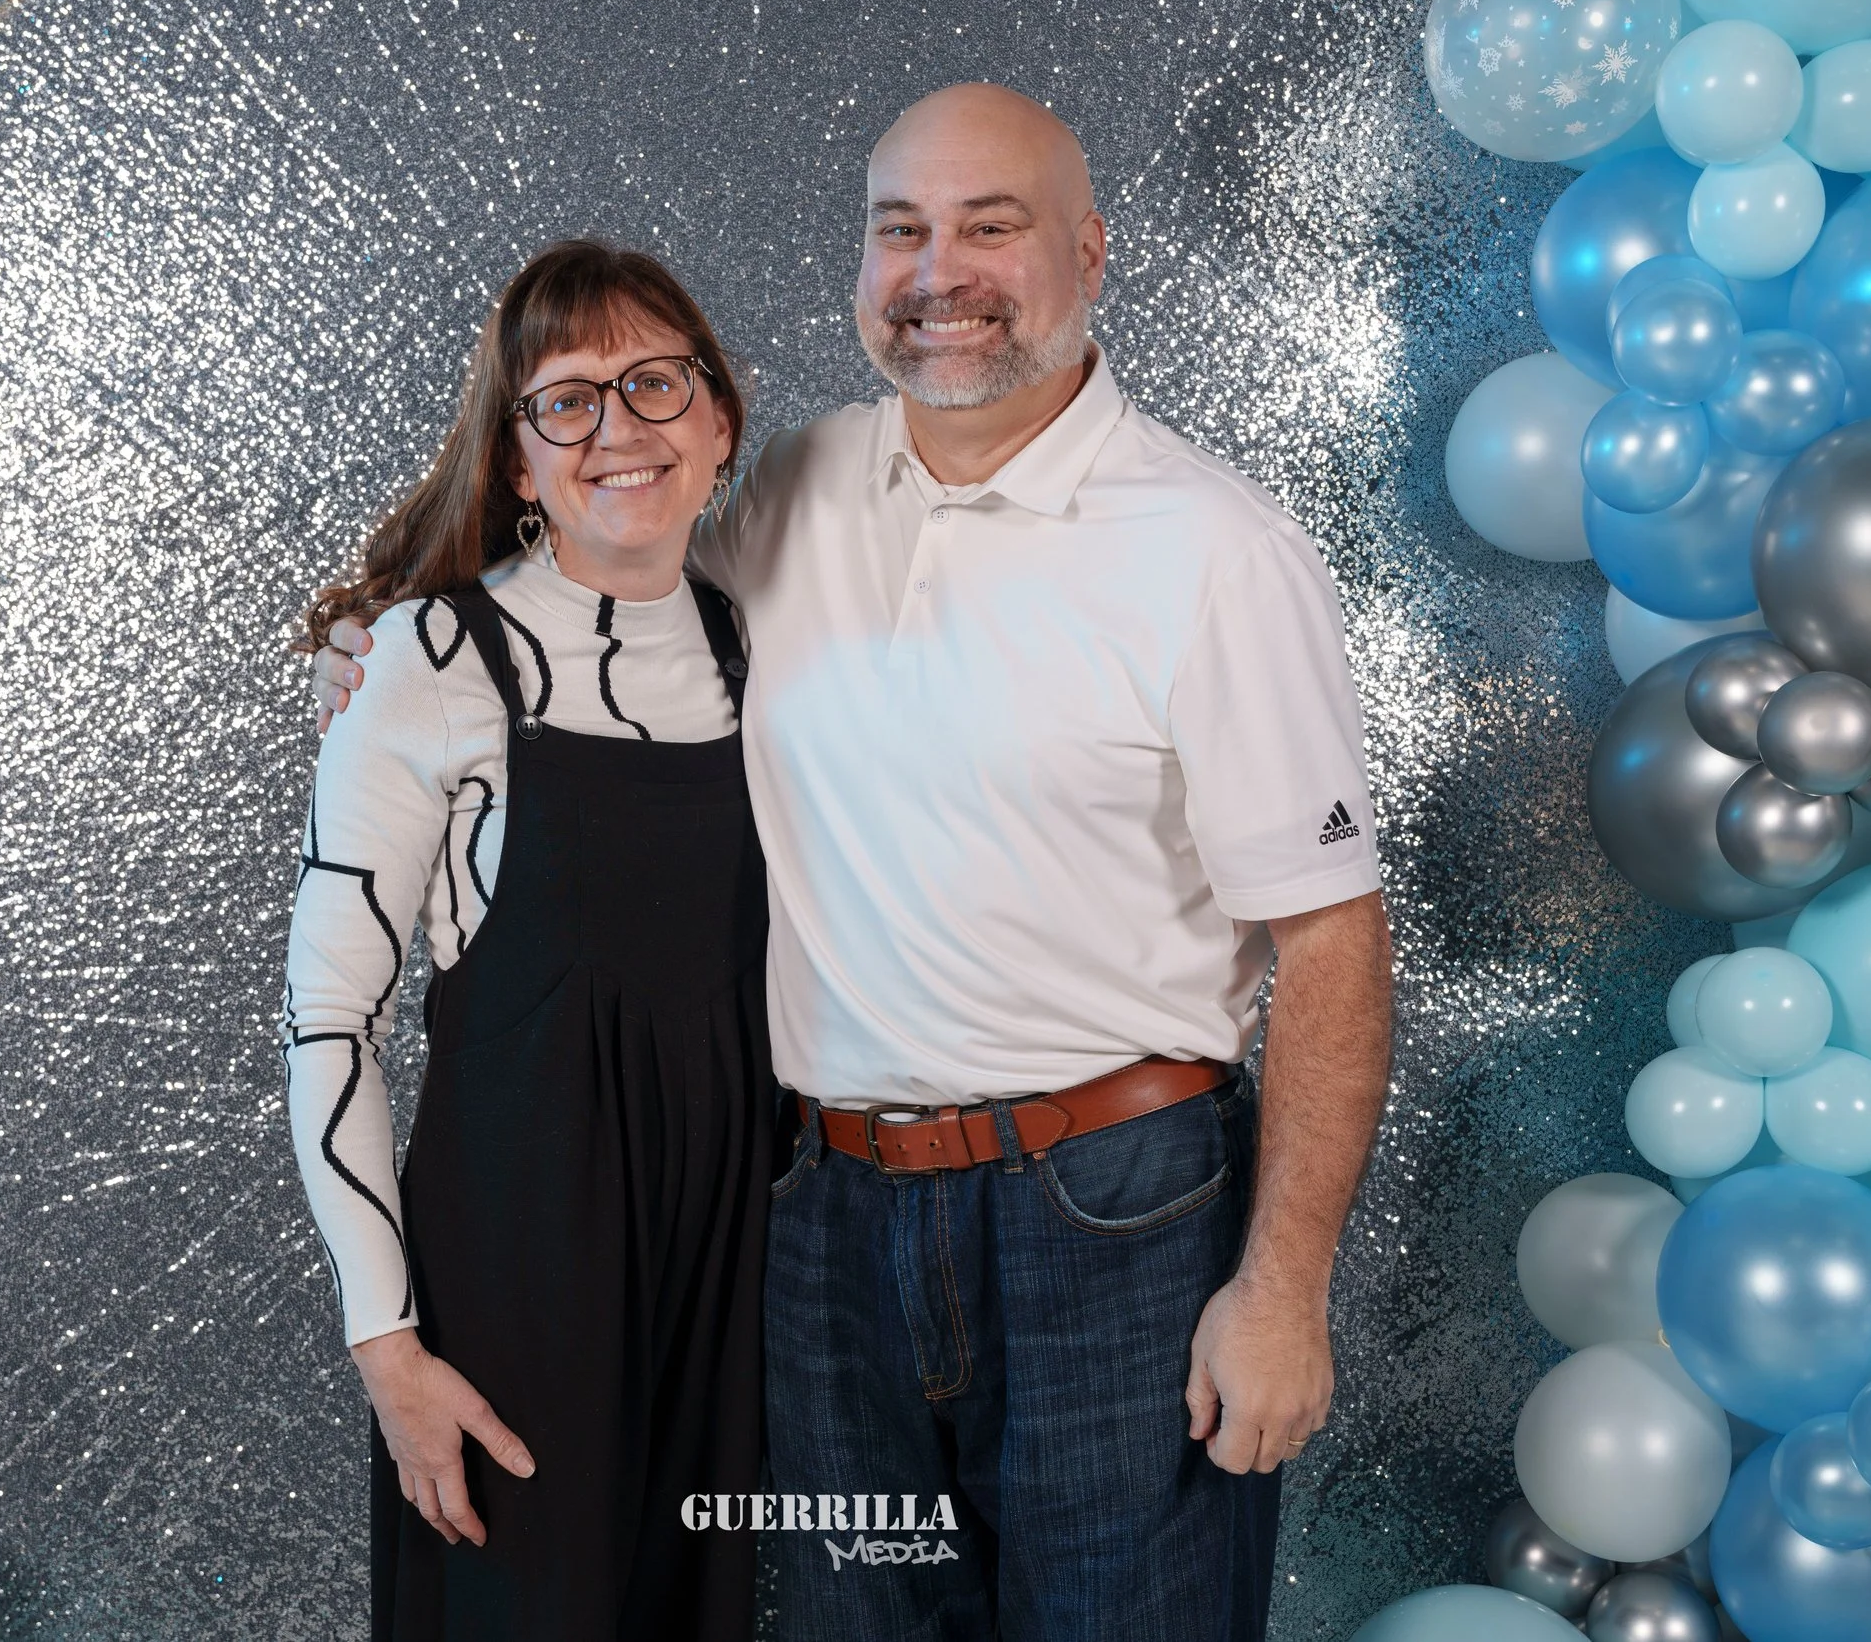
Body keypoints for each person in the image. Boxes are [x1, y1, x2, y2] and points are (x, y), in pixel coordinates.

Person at [314, 84, 1394, 1642]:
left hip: (1118, 1215)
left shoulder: (1212, 552)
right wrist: (394, 647)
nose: (938, 270)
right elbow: (589, 575)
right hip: (826, 1226)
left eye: (990, 226)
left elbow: (1337, 943)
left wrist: (1283, 1285)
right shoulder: (794, 496)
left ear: (1092, 252)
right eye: (902, 230)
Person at [278, 239, 772, 1642]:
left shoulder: (771, 646)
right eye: (567, 401)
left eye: (656, 384)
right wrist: (389, 1346)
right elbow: (329, 1022)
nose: (619, 428)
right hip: (517, 1291)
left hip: (734, 1289)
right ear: (512, 459)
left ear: (721, 419)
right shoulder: (426, 659)